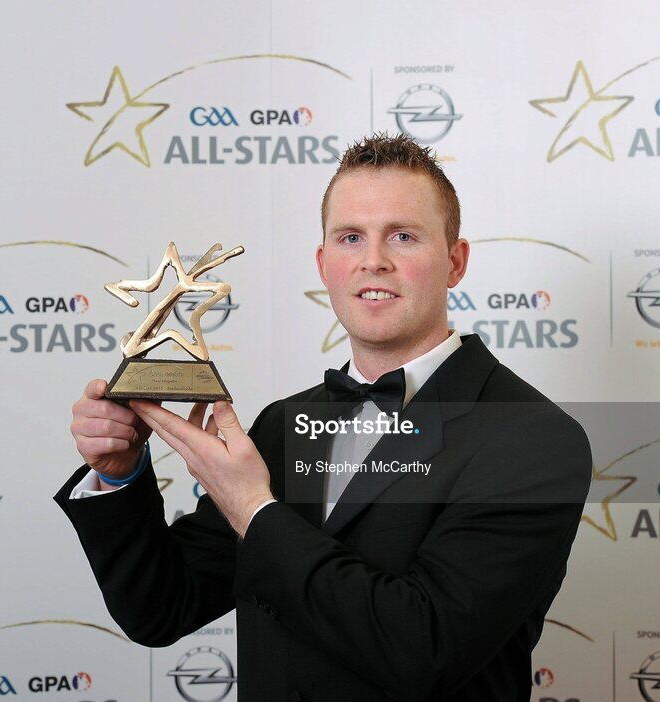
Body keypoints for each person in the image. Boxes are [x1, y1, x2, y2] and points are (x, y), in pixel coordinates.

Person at [55, 134, 592, 701]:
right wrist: (119, 474)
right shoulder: (282, 426)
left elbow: (425, 649)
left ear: (455, 262)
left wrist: (254, 510)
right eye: (350, 237)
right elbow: (162, 608)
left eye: (403, 236)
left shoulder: (533, 437)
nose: (373, 260)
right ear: (323, 263)